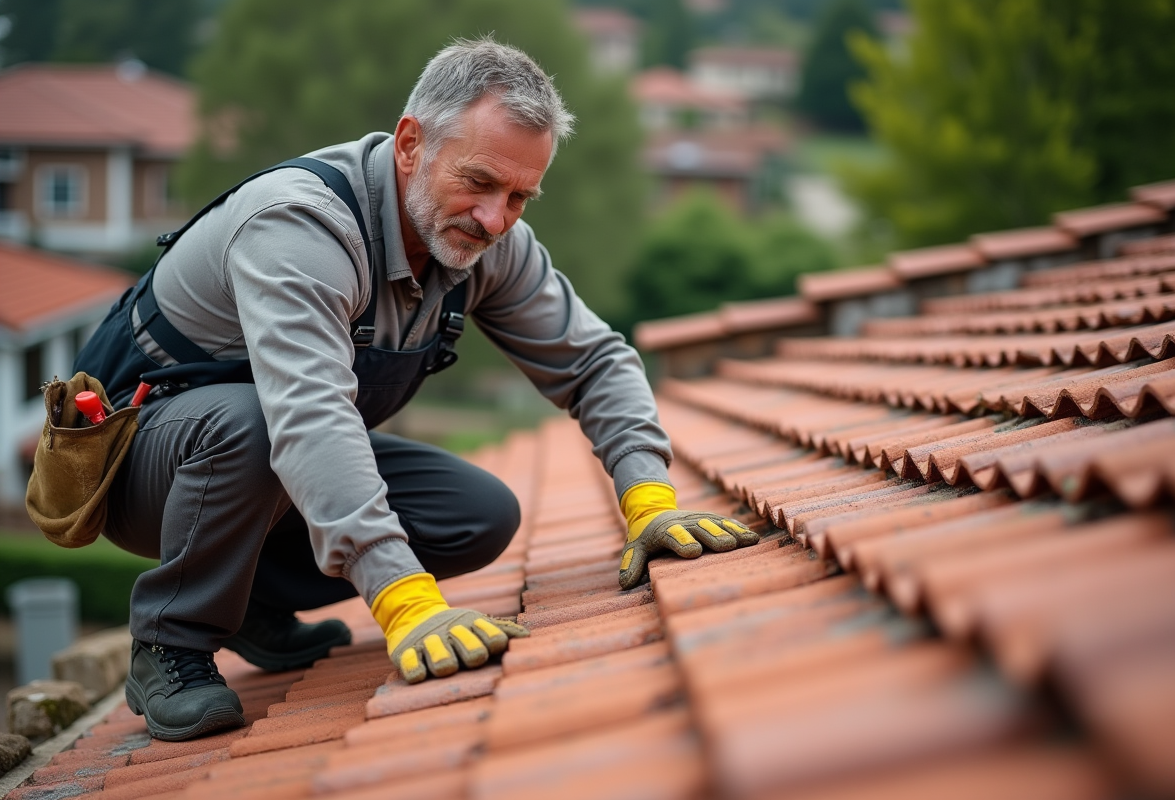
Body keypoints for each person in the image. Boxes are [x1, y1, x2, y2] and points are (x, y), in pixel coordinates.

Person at [75, 36, 758, 743]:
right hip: (141, 466)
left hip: (272, 459)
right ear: (410, 145)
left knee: (476, 515)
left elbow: (594, 361)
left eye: (519, 197)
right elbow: (309, 415)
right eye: (479, 182)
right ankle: (171, 643)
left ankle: (246, 597)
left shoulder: (484, 242)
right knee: (252, 422)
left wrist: (647, 497)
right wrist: (404, 601)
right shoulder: (299, 226)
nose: (495, 219)